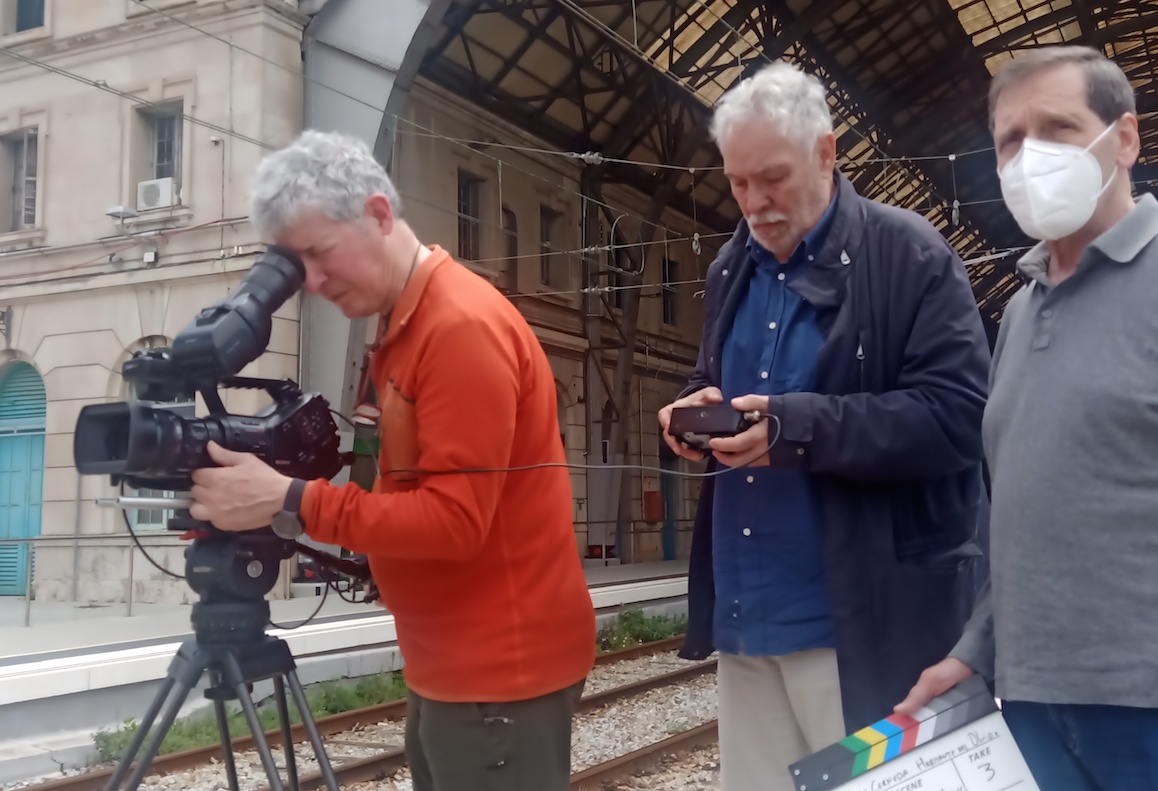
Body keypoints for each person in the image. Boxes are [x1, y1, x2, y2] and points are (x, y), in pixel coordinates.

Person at [186, 130, 597, 791]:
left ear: (379, 214)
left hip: (499, 670)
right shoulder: (400, 325)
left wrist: (291, 500)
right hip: (451, 662)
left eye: (320, 255)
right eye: (298, 268)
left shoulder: (458, 327)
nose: (313, 284)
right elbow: (400, 492)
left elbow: (457, 523)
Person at [895, 44, 1158, 791]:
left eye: (1058, 127)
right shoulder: (1020, 314)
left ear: (1124, 139)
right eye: (1010, 141)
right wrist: (975, 649)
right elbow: (1026, 516)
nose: (1032, 156)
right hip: (1034, 710)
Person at [657, 61, 991, 791]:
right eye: (737, 182)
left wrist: (794, 428)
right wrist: (690, 409)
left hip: (860, 622)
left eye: (771, 177)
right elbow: (711, 376)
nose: (753, 201)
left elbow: (959, 417)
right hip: (748, 619)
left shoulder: (910, 255)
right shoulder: (728, 270)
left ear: (827, 151)